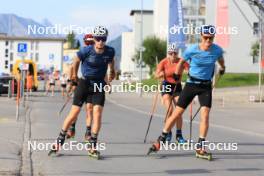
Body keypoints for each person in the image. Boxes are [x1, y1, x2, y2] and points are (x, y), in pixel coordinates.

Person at [148, 25, 226, 158]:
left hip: (205, 86)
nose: (208, 41)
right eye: (206, 38)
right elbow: (181, 62)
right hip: (191, 84)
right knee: (176, 112)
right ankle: (161, 139)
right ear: (201, 37)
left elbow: (220, 60)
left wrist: (222, 68)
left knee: (205, 114)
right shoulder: (192, 50)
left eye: (211, 38)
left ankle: (200, 146)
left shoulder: (217, 50)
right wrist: (177, 74)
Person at [49, 26, 115, 159]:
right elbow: (75, 61)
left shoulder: (110, 51)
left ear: (106, 39)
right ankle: (60, 139)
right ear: (94, 39)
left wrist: (112, 72)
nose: (100, 42)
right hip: (84, 83)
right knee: (74, 113)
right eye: (98, 39)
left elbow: (111, 62)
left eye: (103, 39)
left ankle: (92, 144)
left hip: (98, 85)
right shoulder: (86, 50)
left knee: (97, 113)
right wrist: (74, 77)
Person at [155, 44, 189, 144]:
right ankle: (168, 131)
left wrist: (188, 72)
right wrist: (162, 74)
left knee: (178, 111)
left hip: (177, 86)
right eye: (170, 53)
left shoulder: (181, 61)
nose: (173, 55)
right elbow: (156, 75)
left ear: (178, 53)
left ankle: (179, 135)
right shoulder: (164, 62)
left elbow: (189, 70)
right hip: (167, 85)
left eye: (175, 53)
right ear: (168, 53)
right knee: (170, 111)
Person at [66, 33, 95, 141]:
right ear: (84, 42)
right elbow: (71, 67)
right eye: (87, 42)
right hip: (79, 83)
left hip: (91, 85)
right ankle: (72, 128)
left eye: (91, 42)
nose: (89, 44)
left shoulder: (96, 53)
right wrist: (71, 82)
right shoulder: (81, 52)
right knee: (76, 110)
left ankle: (88, 132)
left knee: (89, 108)